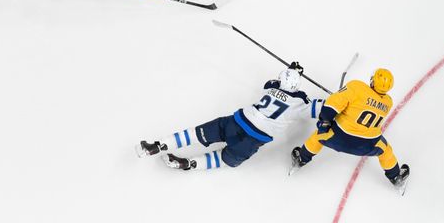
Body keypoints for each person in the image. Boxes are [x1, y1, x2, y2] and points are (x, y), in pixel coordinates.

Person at [137, 63, 322, 170]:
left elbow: (272, 83)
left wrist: (293, 70)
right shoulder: (299, 103)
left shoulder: (272, 87)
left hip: (236, 122)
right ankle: (189, 164)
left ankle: (157, 146)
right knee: (225, 159)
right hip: (254, 140)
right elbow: (321, 108)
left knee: (196, 133)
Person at [290, 68, 410, 193]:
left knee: (318, 137)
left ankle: (301, 159)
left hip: (338, 138)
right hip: (367, 145)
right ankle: (396, 176)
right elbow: (365, 106)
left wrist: (325, 121)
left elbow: (330, 106)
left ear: (373, 81)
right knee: (385, 150)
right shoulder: (388, 102)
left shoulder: (356, 86)